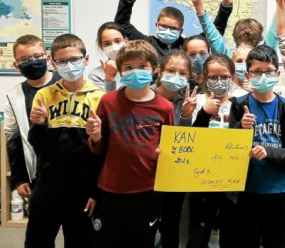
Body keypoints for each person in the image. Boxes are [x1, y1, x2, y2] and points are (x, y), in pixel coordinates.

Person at [86, 40, 175, 248]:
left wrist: (167, 153)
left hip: (147, 190)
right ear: (120, 71)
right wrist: (95, 136)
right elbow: (97, 148)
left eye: (142, 66)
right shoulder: (108, 102)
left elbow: (169, 148)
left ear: (155, 70)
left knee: (142, 241)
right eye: (128, 67)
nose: (136, 71)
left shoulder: (165, 107)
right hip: (111, 189)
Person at [27, 33, 105, 248]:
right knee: (37, 241)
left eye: (74, 59)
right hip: (49, 183)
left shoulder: (100, 96)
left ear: (86, 60)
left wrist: (96, 192)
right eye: (62, 61)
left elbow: (105, 151)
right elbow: (37, 145)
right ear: (53, 63)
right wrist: (39, 125)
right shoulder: (44, 95)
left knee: (81, 241)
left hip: (83, 185)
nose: (69, 65)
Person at [229, 45, 285, 248]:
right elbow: (227, 150)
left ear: (277, 74)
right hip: (246, 190)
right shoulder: (238, 105)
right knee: (246, 241)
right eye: (257, 72)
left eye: (269, 71)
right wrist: (241, 129)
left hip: (277, 191)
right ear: (247, 75)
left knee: (275, 242)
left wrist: (268, 152)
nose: (263, 76)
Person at [114, 0, 231, 63]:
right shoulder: (146, 44)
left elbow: (216, 32)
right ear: (156, 25)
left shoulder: (189, 46)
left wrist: (225, 7)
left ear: (180, 31)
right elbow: (121, 25)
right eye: (163, 26)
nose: (167, 31)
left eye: (173, 28)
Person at [186, 54, 239, 248]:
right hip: (202, 181)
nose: (219, 82)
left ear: (232, 78)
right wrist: (204, 113)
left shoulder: (239, 104)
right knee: (198, 235)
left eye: (224, 77)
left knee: (231, 234)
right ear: (204, 78)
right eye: (213, 77)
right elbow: (190, 140)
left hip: (231, 182)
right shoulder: (196, 101)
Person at [4, 35, 61, 200]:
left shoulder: (66, 85)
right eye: (24, 59)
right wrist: (19, 178)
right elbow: (13, 139)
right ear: (16, 65)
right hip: (38, 175)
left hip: (72, 174)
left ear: (47, 58)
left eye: (37, 56)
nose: (32, 62)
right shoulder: (14, 96)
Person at [154, 50, 197, 248]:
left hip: (174, 175)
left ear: (189, 77)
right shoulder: (146, 96)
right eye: (171, 70)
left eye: (182, 73)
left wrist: (187, 116)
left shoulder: (187, 103)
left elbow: (185, 142)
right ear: (159, 71)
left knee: (171, 225)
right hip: (147, 174)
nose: (176, 76)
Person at [187, 0, 278, 57]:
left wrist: (281, 5)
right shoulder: (226, 58)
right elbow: (211, 34)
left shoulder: (264, 58)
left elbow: (274, 34)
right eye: (243, 44)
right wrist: (198, 4)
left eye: (250, 42)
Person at [89, 22, 128, 92]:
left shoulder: (137, 68)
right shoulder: (96, 75)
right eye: (107, 43)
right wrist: (109, 79)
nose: (114, 47)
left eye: (118, 41)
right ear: (101, 47)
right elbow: (106, 102)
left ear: (126, 41)